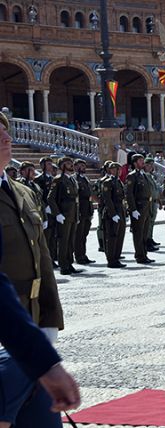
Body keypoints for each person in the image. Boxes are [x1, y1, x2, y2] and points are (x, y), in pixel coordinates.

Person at [0, 111, 70, 426]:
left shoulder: (23, 191)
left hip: (30, 327)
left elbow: (41, 257)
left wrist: (50, 318)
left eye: (6, 133)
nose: (6, 139)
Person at [47, 157, 83, 276]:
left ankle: (69, 263)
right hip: (64, 215)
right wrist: (57, 214)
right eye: (68, 164)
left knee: (70, 241)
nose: (71, 165)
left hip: (72, 214)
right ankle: (63, 266)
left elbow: (75, 199)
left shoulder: (72, 180)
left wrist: (77, 214)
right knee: (63, 241)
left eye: (71, 163)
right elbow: (50, 198)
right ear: (62, 166)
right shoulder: (58, 179)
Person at [126, 153, 154, 264]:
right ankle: (139, 255)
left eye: (143, 160)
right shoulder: (132, 176)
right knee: (138, 233)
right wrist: (133, 209)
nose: (143, 162)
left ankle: (144, 254)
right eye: (140, 160)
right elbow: (129, 194)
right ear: (135, 163)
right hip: (139, 207)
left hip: (146, 207)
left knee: (144, 232)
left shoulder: (143, 174)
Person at [101, 162, 127, 268]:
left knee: (120, 236)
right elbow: (107, 199)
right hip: (112, 212)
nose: (118, 171)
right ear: (111, 170)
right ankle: (111, 260)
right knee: (112, 237)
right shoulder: (108, 182)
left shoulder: (119, 182)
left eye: (119, 170)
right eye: (116, 169)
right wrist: (113, 214)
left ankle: (116, 258)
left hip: (120, 211)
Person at [35, 157, 57, 265]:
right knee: (47, 237)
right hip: (45, 211)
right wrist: (46, 207)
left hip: (54, 211)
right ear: (42, 166)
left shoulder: (53, 179)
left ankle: (52, 259)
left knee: (53, 236)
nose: (51, 166)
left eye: (51, 164)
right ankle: (46, 261)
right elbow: (39, 196)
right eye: (48, 164)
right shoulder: (38, 179)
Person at [73, 159, 95, 265]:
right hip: (80, 210)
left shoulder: (85, 179)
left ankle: (83, 254)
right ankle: (78, 256)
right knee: (79, 235)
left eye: (84, 165)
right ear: (75, 167)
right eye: (81, 166)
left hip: (87, 209)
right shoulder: (75, 179)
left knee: (84, 234)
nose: (83, 167)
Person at [143, 156, 161, 252]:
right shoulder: (144, 175)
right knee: (148, 222)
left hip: (154, 202)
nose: (150, 166)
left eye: (151, 165)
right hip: (149, 202)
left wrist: (159, 201)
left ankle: (150, 238)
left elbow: (155, 190)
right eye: (148, 165)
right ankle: (147, 241)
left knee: (152, 221)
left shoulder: (151, 175)